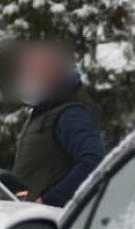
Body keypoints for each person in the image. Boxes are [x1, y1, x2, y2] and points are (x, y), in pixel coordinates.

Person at [9, 41, 106, 207]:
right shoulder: (45, 110)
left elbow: (94, 162)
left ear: (52, 74)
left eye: (32, 73)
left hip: (52, 220)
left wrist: (49, 200)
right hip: (28, 215)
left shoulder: (70, 114)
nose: (25, 80)